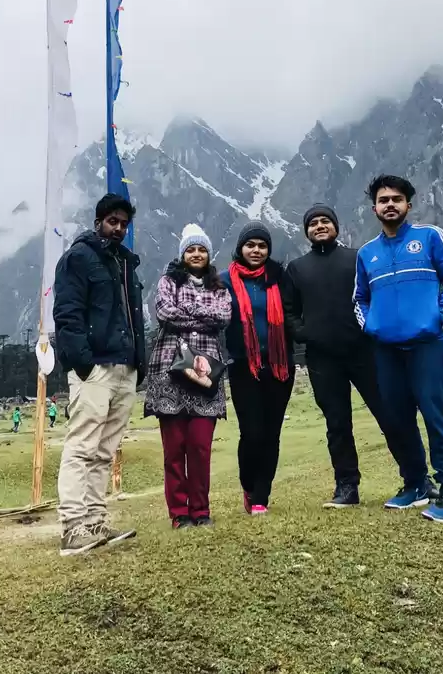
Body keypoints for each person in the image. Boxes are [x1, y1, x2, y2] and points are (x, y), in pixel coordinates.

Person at [354, 175, 443, 523]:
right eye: (383, 199)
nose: (390, 204)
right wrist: (372, 327)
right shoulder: (366, 253)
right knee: (398, 420)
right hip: (386, 350)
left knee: (437, 418)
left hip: (426, 345)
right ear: (374, 208)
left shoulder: (430, 237)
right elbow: (360, 299)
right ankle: (416, 484)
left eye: (397, 199)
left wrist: (439, 317)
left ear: (408, 205)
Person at [287, 204, 412, 509]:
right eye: (313, 222)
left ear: (336, 226)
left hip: (364, 351)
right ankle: (347, 488)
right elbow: (289, 311)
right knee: (337, 424)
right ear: (306, 231)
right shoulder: (297, 268)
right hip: (321, 359)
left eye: (325, 221)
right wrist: (304, 333)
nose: (319, 226)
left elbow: (377, 295)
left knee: (390, 414)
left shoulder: (357, 258)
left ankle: (415, 479)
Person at [53, 193, 146, 556]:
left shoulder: (125, 264)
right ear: (98, 222)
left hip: (125, 367)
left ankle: (95, 521)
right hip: (95, 368)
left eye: (124, 224)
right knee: (82, 445)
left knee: (105, 450)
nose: (118, 229)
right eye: (113, 222)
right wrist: (82, 363)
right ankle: (72, 528)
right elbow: (68, 313)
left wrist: (137, 361)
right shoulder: (79, 258)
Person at [144, 224, 232, 529]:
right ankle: (179, 514)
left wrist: (189, 312)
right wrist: (201, 316)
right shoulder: (168, 281)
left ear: (209, 254)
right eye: (191, 249)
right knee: (174, 447)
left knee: (199, 445)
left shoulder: (219, 286)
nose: (196, 254)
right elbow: (164, 312)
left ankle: (201, 510)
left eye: (201, 249)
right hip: (170, 370)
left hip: (207, 370)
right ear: (183, 255)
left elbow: (224, 317)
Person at [222, 222, 297, 516]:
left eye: (262, 245)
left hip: (280, 366)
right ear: (240, 248)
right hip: (243, 366)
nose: (256, 250)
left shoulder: (279, 277)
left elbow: (293, 312)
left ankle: (261, 497)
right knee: (252, 432)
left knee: (272, 433)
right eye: (250, 245)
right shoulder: (225, 280)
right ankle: (248, 485)